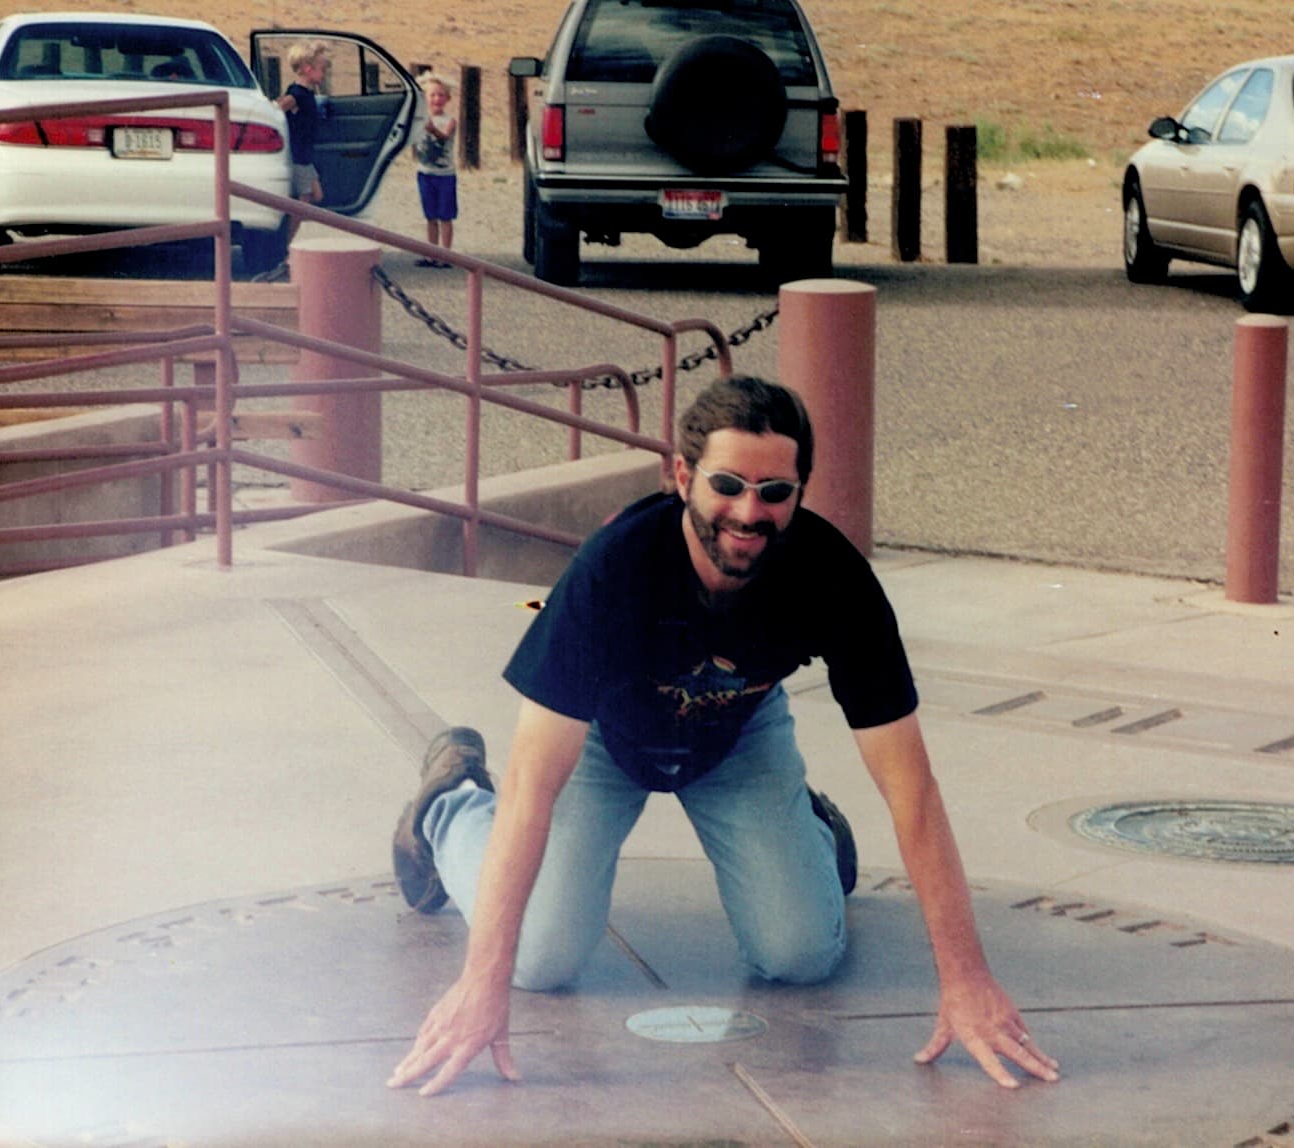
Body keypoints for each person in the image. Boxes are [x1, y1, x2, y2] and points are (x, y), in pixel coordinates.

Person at [387, 376, 1061, 1098]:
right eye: (728, 484)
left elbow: (913, 791)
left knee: (800, 953)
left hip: (739, 735)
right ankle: (452, 804)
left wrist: (967, 982)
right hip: (603, 742)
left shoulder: (835, 579)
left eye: (775, 491)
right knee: (540, 960)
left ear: (801, 489)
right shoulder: (612, 570)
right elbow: (529, 787)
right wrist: (480, 986)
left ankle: (813, 835)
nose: (750, 511)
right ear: (683, 476)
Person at [275, 41, 328, 242]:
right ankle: (288, 243)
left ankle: (287, 230)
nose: (323, 74)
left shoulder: (306, 93)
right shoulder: (297, 94)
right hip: (298, 154)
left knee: (316, 195)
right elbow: (279, 107)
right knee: (305, 199)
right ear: (308, 69)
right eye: (321, 69)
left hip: (305, 155)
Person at [412, 74, 458, 268]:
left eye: (441, 95)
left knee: (445, 216)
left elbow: (444, 137)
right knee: (430, 216)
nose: (437, 99)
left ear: (447, 99)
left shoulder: (450, 121)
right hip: (425, 173)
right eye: (433, 95)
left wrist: (432, 130)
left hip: (445, 175)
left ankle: (445, 255)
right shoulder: (420, 120)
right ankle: (431, 253)